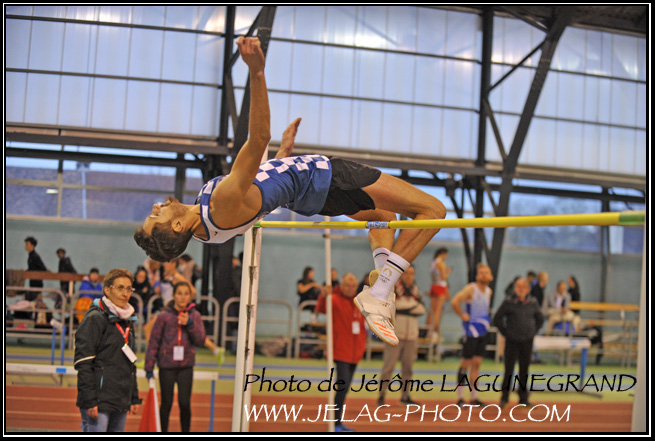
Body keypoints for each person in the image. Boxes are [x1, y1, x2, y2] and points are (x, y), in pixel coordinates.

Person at [133, 36, 447, 347]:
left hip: (312, 193)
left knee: (383, 214)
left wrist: (281, 157)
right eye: (155, 217)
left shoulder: (207, 220)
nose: (156, 207)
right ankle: (381, 292)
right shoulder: (219, 205)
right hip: (325, 179)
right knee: (433, 210)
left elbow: (259, 194)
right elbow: (258, 137)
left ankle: (381, 282)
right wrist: (257, 72)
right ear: (177, 226)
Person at [74, 268, 141, 432]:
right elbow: (84, 363)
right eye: (120, 288)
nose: (125, 293)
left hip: (120, 399)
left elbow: (130, 363)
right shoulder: (95, 318)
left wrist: (133, 396)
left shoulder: (127, 319)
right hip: (98, 401)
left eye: (129, 289)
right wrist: (90, 400)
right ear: (107, 290)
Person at [145, 281, 206, 432]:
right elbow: (154, 341)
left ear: (190, 296)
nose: (183, 297)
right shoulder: (164, 316)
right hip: (167, 365)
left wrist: (190, 323)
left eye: (186, 294)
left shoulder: (195, 316)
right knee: (166, 403)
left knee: (185, 403)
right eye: (179, 293)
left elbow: (200, 340)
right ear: (173, 295)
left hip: (186, 366)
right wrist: (149, 366)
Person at [315, 273, 366, 433]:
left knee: (345, 388)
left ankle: (338, 421)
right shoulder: (334, 299)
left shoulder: (359, 301)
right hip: (341, 351)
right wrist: (324, 296)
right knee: (342, 386)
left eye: (353, 286)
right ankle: (335, 422)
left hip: (355, 351)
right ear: (341, 286)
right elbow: (321, 309)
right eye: (347, 285)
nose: (350, 288)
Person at [377, 265, 425, 407]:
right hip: (395, 335)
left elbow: (422, 309)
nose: (409, 276)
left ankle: (405, 396)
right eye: (406, 273)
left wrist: (404, 307)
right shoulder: (393, 290)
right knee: (388, 366)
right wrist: (412, 307)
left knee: (408, 368)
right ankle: (381, 395)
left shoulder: (416, 291)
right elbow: (393, 306)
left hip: (412, 336)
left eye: (412, 273)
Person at [492, 277, 544, 408]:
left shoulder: (533, 302)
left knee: (524, 370)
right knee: (508, 370)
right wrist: (506, 332)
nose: (521, 289)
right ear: (515, 288)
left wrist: (533, 331)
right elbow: (497, 318)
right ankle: (504, 398)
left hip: (527, 341)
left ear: (528, 289)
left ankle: (523, 398)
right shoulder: (508, 301)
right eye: (518, 287)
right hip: (512, 341)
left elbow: (540, 319)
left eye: (523, 287)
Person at [451, 263, 493, 406]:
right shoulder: (471, 289)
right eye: (481, 273)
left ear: (491, 276)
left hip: (483, 331)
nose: (483, 275)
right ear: (477, 275)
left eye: (486, 273)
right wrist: (462, 315)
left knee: (477, 364)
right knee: (465, 363)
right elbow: (455, 301)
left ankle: (474, 397)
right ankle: (460, 397)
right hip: (471, 332)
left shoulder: (489, 291)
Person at [427, 248, 451, 340]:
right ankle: (435, 332)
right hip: (440, 287)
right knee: (438, 311)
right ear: (443, 254)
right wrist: (447, 272)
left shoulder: (433, 263)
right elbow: (444, 278)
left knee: (432, 311)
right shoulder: (441, 263)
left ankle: (429, 331)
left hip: (434, 286)